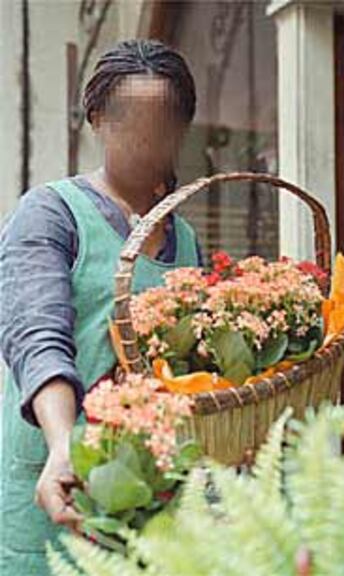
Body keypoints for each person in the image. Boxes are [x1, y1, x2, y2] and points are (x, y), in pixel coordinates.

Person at [0, 38, 201, 575]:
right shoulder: (49, 213)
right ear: (96, 120)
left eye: (164, 123)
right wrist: (64, 444)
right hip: (56, 483)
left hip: (151, 493)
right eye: (131, 121)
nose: (148, 139)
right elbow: (35, 336)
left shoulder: (185, 236)